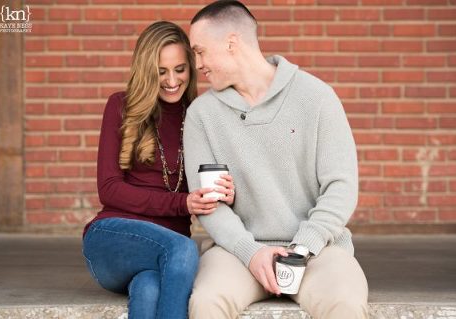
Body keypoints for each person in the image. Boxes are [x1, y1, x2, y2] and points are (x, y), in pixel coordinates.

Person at [183, 1, 369, 318]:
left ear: (231, 43)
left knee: (345, 304)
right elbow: (210, 205)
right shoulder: (202, 114)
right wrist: (250, 251)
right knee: (207, 302)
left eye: (200, 51)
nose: (197, 64)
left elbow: (341, 186)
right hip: (237, 252)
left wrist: (301, 247)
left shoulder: (317, 97)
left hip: (318, 249)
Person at [82, 21, 235, 319]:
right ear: (145, 69)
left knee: (149, 288)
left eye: (179, 69)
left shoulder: (200, 115)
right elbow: (109, 188)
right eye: (160, 71)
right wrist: (182, 203)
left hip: (166, 253)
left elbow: (207, 184)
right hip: (112, 238)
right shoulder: (121, 106)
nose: (171, 80)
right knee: (186, 250)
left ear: (190, 69)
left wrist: (225, 191)